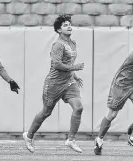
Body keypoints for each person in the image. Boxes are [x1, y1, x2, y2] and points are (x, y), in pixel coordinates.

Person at [23, 15, 84, 153]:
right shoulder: (58, 45)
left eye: (69, 24)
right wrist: (74, 68)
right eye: (65, 25)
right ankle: (29, 135)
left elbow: (68, 63)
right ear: (58, 30)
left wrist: (75, 75)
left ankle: (71, 139)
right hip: (54, 84)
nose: (69, 26)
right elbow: (56, 64)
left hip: (68, 82)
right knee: (46, 112)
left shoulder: (72, 43)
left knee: (78, 108)